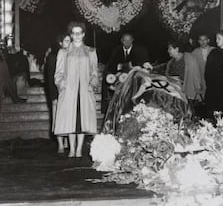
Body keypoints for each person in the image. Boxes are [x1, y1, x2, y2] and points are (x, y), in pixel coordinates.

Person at [54, 22, 98, 157]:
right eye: (74, 33)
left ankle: (79, 149)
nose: (77, 36)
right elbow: (58, 73)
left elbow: (94, 72)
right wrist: (62, 85)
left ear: (83, 34)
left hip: (84, 92)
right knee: (70, 121)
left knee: (82, 121)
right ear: (71, 35)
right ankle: (71, 148)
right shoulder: (64, 52)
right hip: (69, 92)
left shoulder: (91, 51)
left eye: (80, 33)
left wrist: (92, 84)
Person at [102, 33, 149, 113]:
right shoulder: (116, 50)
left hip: (134, 81)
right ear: (121, 41)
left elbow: (142, 65)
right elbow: (111, 66)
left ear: (132, 40)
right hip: (119, 81)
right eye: (125, 40)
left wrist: (126, 67)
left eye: (129, 40)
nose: (127, 42)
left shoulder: (140, 51)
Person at [48, 33, 71, 153]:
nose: (69, 43)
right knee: (58, 119)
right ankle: (60, 144)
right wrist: (53, 96)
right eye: (66, 41)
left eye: (70, 41)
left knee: (68, 119)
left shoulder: (73, 55)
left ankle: (68, 141)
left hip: (69, 94)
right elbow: (51, 79)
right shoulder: (53, 57)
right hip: (58, 93)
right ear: (60, 43)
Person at [191, 34, 215, 102]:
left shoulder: (214, 50)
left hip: (213, 79)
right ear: (198, 41)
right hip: (201, 80)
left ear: (208, 40)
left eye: (204, 40)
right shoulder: (194, 53)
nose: (203, 42)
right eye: (201, 40)